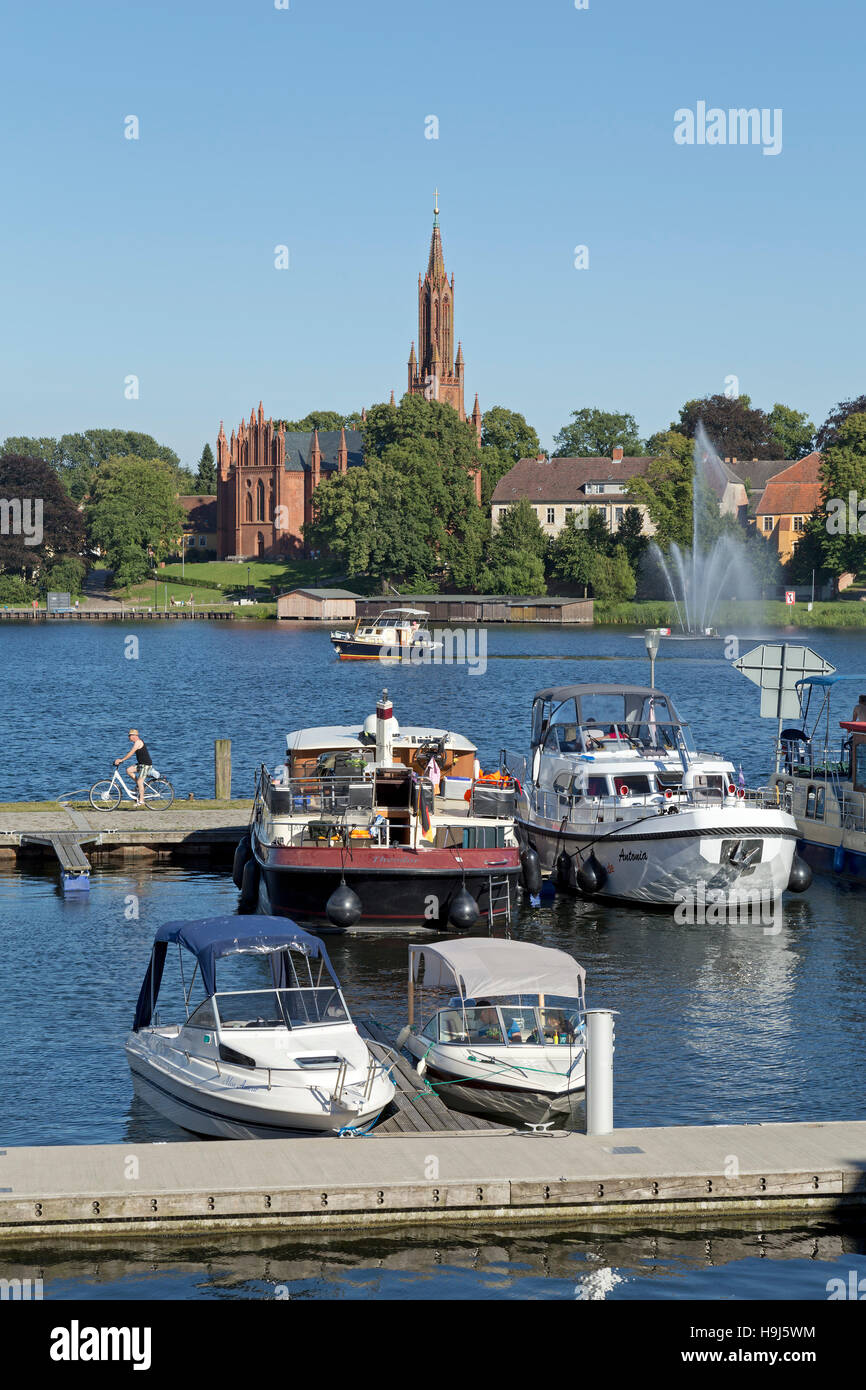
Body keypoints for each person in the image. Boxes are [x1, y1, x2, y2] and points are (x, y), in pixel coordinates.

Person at [114, 729, 154, 806]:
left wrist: (122, 760)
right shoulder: (136, 742)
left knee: (140, 781)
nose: (128, 737)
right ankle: (140, 787)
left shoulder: (138, 742)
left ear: (134, 736)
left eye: (129, 736)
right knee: (128, 770)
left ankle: (141, 800)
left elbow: (131, 752)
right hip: (141, 764)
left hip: (146, 765)